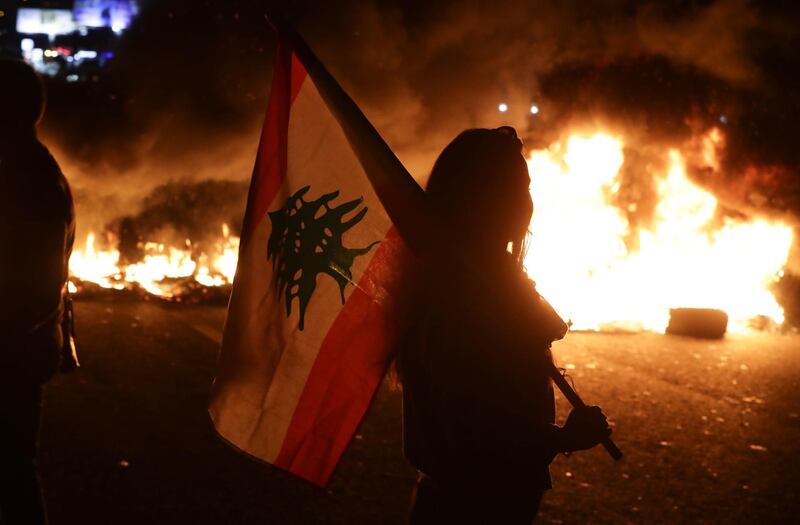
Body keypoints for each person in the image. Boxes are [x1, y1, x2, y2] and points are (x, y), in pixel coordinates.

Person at [395, 127, 612, 524]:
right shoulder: (458, 292)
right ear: (479, 199)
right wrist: (564, 438)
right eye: (516, 187)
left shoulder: (484, 280)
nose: (526, 202)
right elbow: (475, 425)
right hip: (468, 508)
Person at [0, 58, 75, 525]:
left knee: (11, 471)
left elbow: (31, 283)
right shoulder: (26, 169)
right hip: (20, 346)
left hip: (11, 348)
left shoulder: (30, 180)